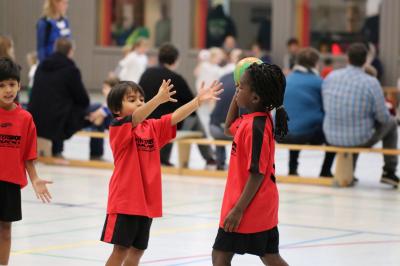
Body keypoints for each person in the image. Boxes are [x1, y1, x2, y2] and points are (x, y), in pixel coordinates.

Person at [101, 79, 222, 266]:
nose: (139, 103)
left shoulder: (151, 127)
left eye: (141, 99)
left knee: (137, 251)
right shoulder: (117, 127)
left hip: (146, 203)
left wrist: (197, 101)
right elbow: (135, 118)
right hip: (125, 200)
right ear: (117, 109)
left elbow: (174, 117)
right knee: (120, 250)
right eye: (132, 100)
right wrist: (157, 99)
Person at [212, 60, 289, 266]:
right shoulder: (251, 120)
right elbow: (228, 126)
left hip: (249, 206)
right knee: (269, 256)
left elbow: (257, 173)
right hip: (255, 203)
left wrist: (238, 210)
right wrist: (238, 95)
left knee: (220, 256)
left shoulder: (257, 127)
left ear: (255, 97)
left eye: (241, 87)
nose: (237, 89)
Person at [322, 43, 399, 187]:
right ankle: (389, 171)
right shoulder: (371, 82)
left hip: (331, 136)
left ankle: (351, 171)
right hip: (358, 138)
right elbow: (383, 118)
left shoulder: (331, 77)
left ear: (347, 58)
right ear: (365, 61)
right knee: (391, 123)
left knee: (355, 122)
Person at [0, 57, 52, 266]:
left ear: (20, 86)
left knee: (5, 230)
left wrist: (35, 179)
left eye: (12, 84)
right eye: (1, 85)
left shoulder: (25, 119)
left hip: (10, 183)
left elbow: (28, 156)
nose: (7, 90)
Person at [139, 43, 216, 167]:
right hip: (168, 123)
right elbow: (191, 102)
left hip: (146, 119)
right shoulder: (176, 78)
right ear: (175, 60)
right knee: (192, 119)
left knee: (168, 117)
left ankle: (163, 158)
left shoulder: (146, 73)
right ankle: (210, 157)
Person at [28, 38, 90, 157]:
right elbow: (83, 99)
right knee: (89, 110)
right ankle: (95, 152)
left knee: (57, 104)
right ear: (70, 51)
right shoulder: (71, 70)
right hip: (57, 121)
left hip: (36, 117)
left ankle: (55, 150)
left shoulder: (41, 66)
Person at [278, 48, 335, 177]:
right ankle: (325, 170)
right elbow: (327, 107)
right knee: (333, 135)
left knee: (293, 121)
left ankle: (292, 169)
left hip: (280, 134)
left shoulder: (286, 79)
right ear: (316, 64)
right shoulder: (319, 82)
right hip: (304, 134)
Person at [86, 77, 119, 160]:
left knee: (98, 113)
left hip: (116, 123)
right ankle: (96, 153)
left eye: (105, 88)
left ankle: (95, 153)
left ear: (113, 89)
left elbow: (104, 111)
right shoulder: (109, 101)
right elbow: (102, 111)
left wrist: (93, 116)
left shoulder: (115, 100)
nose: (103, 90)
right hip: (109, 122)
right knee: (98, 120)